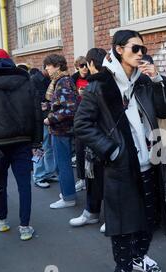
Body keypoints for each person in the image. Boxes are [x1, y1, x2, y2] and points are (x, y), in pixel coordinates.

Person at [74, 30, 166, 272]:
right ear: (119, 49)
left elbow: (165, 110)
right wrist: (112, 151)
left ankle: (140, 257)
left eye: (143, 48)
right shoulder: (100, 85)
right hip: (120, 165)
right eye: (135, 48)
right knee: (122, 224)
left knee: (149, 219)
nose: (141, 53)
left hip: (148, 162)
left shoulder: (143, 83)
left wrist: (158, 80)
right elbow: (82, 125)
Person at [0, 48, 43, 240]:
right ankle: (25, 226)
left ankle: (3, 220)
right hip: (23, 142)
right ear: (9, 60)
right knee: (24, 184)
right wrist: (37, 141)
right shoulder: (26, 81)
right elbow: (37, 114)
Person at [69, 48, 107, 229]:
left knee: (107, 181)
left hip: (102, 142)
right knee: (93, 179)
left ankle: (108, 218)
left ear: (92, 64)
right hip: (96, 143)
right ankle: (91, 212)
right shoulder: (99, 84)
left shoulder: (100, 85)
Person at [43, 54, 79, 209]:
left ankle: (68, 197)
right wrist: (48, 107)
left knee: (62, 164)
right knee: (62, 164)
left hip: (61, 129)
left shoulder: (62, 81)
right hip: (62, 129)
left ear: (57, 65)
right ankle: (67, 192)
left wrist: (49, 119)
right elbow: (63, 104)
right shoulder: (62, 80)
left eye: (48, 66)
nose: (46, 69)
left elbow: (70, 108)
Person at [31, 66, 58, 188]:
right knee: (39, 148)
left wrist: (47, 105)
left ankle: (49, 173)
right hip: (38, 120)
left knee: (49, 147)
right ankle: (38, 176)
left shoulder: (50, 80)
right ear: (47, 67)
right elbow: (35, 101)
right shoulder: (34, 80)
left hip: (47, 119)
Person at [71, 56, 90, 193]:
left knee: (91, 151)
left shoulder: (93, 77)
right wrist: (77, 95)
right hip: (78, 117)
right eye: (82, 65)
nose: (84, 68)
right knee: (79, 150)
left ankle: (91, 179)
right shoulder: (73, 79)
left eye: (86, 65)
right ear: (77, 67)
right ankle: (82, 179)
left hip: (91, 117)